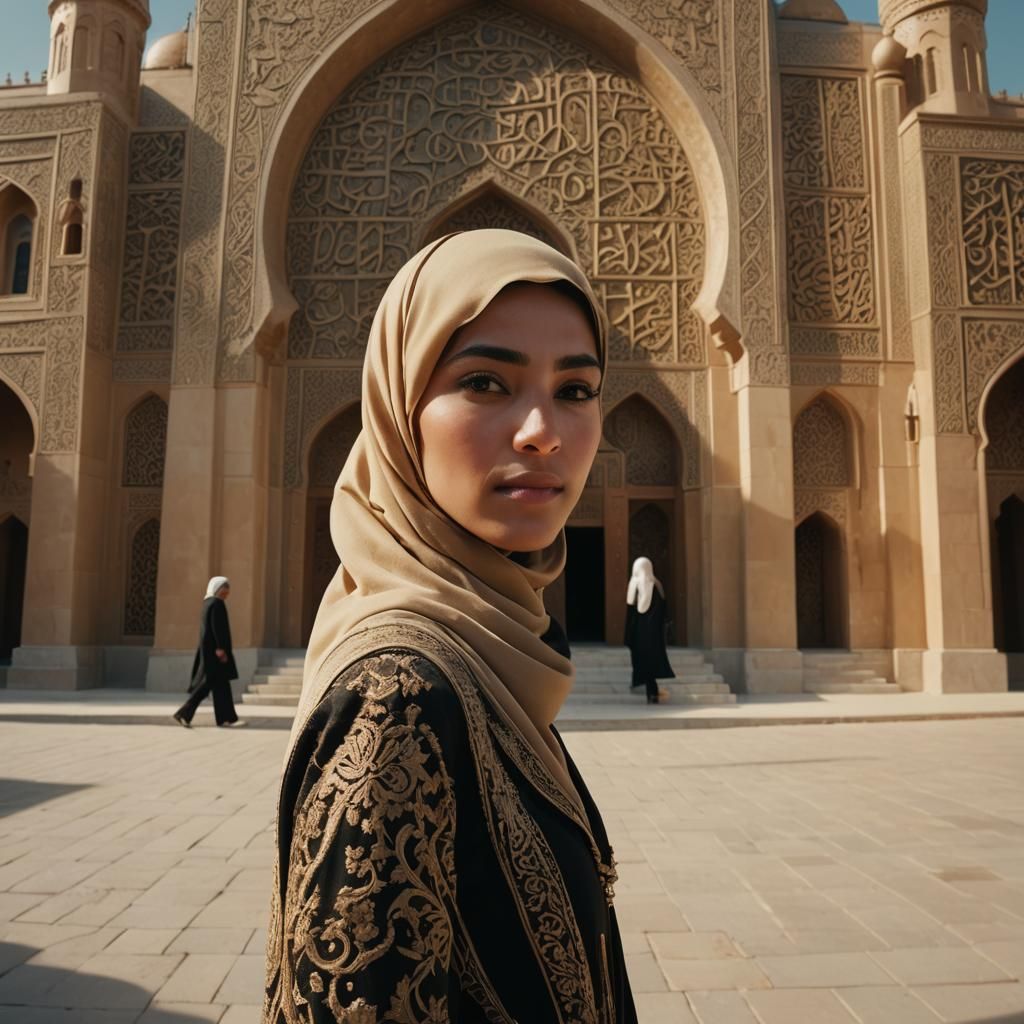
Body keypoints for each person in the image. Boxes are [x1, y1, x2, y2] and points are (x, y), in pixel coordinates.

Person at [264, 230, 637, 1023]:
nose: (543, 429)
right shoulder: (395, 700)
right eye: (484, 381)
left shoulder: (491, 654)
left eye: (576, 390)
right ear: (399, 408)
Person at [173, 576, 244, 728]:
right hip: (216, 653)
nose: (225, 596)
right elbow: (217, 628)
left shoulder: (207, 603)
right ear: (217, 590)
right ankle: (183, 713)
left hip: (208, 651)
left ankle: (227, 718)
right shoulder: (217, 604)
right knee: (208, 684)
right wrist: (221, 649)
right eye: (223, 592)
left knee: (221, 685)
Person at [624, 556, 674, 704]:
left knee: (642, 661)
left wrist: (628, 635)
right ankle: (652, 693)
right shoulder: (657, 585)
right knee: (650, 662)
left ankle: (650, 692)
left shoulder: (635, 584)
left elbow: (631, 610)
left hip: (639, 633)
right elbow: (664, 612)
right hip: (654, 635)